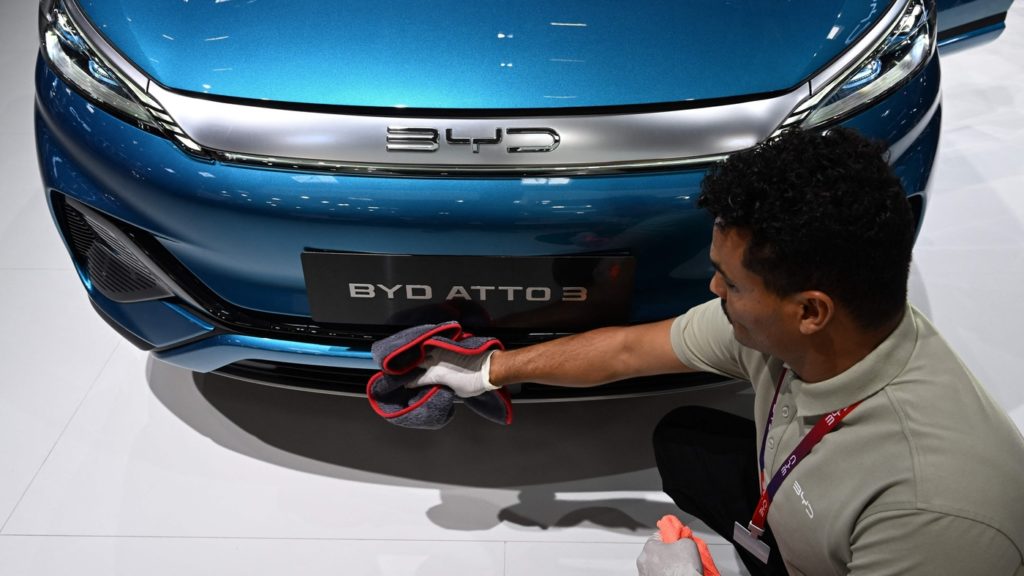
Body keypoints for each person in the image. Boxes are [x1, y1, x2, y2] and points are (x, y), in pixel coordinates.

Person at [402, 128, 1024, 575]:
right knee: (683, 443)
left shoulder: (937, 514)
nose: (713, 288)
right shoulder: (792, 331)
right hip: (791, 514)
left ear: (810, 310)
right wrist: (486, 370)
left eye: (731, 281)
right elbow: (623, 353)